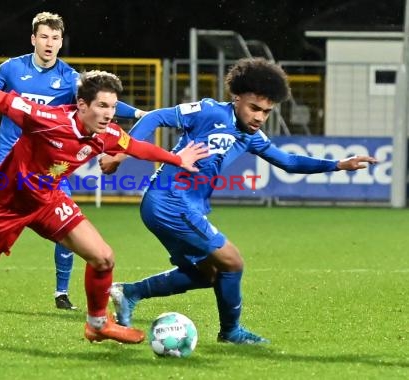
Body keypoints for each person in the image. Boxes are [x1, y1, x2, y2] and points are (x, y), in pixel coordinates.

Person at [0, 70, 208, 344]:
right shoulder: (45, 118)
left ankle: (97, 325)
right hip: (3, 204)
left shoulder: (107, 134)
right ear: (82, 105)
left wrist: (177, 158)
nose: (109, 113)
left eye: (112, 106)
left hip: (47, 200)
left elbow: (138, 147)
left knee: (103, 257)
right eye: (102, 105)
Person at [99, 57, 378, 344]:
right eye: (254, 108)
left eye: (266, 112)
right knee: (232, 262)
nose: (259, 117)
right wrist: (121, 153)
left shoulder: (251, 137)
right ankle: (231, 332)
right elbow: (155, 117)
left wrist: (338, 165)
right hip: (170, 201)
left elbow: (290, 162)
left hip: (181, 205)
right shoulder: (209, 111)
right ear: (236, 97)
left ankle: (130, 292)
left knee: (207, 274)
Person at [0, 11, 146, 311]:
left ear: (61, 42)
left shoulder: (69, 78)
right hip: (8, 163)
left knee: (66, 224)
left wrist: (140, 114)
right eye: (44, 37)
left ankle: (61, 294)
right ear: (33, 39)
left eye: (55, 38)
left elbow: (102, 100)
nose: (49, 43)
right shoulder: (12, 69)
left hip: (48, 166)